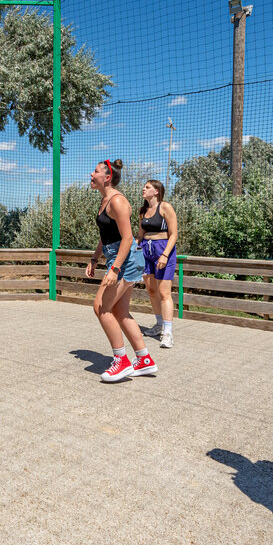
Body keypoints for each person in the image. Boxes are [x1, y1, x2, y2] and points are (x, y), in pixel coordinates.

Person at [85, 159, 155, 383]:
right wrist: (95, 259)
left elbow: (127, 238)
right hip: (117, 257)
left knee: (101, 307)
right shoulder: (104, 200)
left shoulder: (117, 201)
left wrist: (114, 269)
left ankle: (122, 361)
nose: (91, 174)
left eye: (95, 171)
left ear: (107, 177)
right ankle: (144, 360)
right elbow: (106, 235)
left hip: (125, 260)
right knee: (120, 312)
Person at [137, 179, 179, 348]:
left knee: (164, 293)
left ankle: (168, 333)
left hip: (163, 249)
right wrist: (134, 252)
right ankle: (159, 324)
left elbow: (174, 234)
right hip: (146, 251)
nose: (143, 189)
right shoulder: (143, 211)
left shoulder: (165, 207)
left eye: (147, 187)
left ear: (156, 191)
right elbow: (140, 235)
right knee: (151, 289)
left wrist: (164, 255)